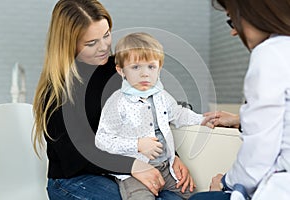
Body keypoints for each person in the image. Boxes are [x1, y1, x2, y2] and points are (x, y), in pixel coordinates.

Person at [32, 0, 194, 199]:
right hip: (76, 177)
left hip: (120, 170)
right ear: (68, 44)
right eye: (91, 43)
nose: (104, 47)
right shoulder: (57, 89)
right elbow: (77, 154)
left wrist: (171, 157)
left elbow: (150, 114)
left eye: (106, 35)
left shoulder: (120, 70)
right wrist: (133, 166)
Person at [191, 0, 290, 199]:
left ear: (256, 12)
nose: (234, 32)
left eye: (232, 20)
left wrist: (225, 182)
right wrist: (240, 119)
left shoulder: (272, 53)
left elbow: (257, 160)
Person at [95, 32, 211, 200]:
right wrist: (137, 144)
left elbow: (178, 114)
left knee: (192, 194)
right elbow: (103, 139)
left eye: (151, 66)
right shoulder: (118, 102)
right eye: (136, 67)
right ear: (121, 70)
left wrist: (204, 119)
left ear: (159, 67)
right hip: (136, 172)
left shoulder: (161, 96)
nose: (145, 74)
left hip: (166, 167)